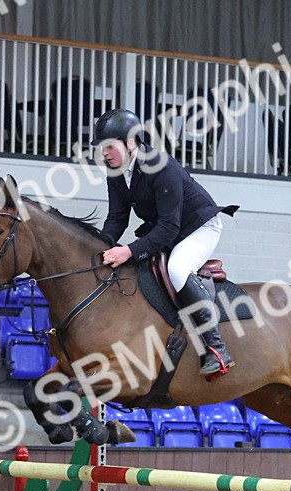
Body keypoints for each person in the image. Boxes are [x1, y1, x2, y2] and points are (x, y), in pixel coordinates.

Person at [93, 108, 238, 378]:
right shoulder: (116, 172)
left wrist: (129, 251)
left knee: (177, 269)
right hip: (168, 229)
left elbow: (169, 227)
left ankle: (217, 348)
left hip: (198, 227)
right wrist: (99, 248)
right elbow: (117, 218)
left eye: (109, 146)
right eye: (101, 147)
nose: (104, 153)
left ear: (130, 142)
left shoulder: (161, 166)